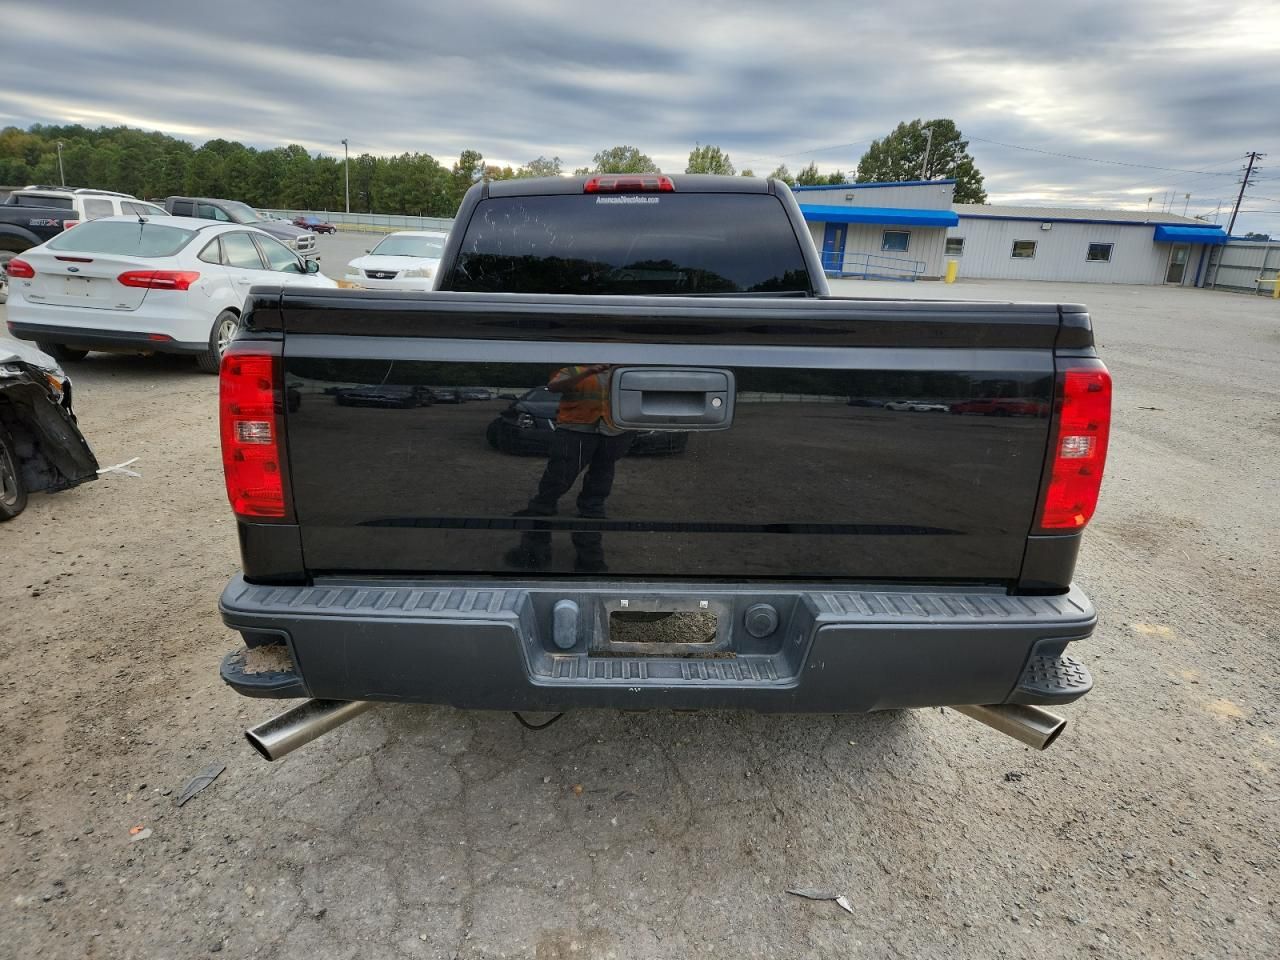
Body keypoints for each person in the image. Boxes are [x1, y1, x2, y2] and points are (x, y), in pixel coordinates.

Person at [506, 364, 634, 572]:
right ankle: (534, 549)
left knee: (598, 490)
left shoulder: (626, 370)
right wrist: (589, 372)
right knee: (555, 484)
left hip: (613, 432)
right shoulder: (574, 369)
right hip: (575, 431)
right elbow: (554, 387)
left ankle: (590, 557)